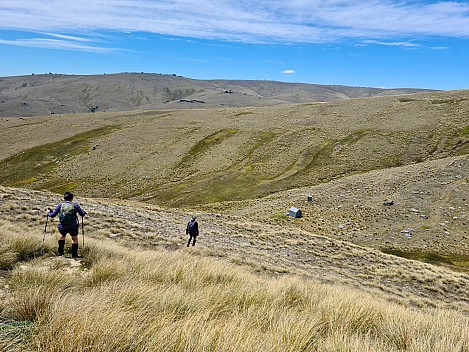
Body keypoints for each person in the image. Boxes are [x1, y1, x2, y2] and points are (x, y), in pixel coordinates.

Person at [46, 191, 87, 258]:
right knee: (74, 238)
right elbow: (82, 214)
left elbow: (52, 215)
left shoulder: (60, 205)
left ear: (64, 198)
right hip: (73, 226)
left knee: (62, 236)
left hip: (62, 226)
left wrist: (48, 212)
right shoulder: (75, 205)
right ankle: (74, 255)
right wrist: (84, 213)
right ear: (72, 198)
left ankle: (60, 253)